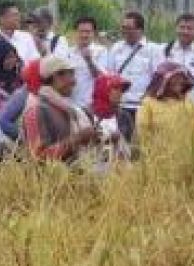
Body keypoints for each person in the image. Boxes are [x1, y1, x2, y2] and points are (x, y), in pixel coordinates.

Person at [21, 55, 98, 164]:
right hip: (50, 180)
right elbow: (38, 156)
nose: (74, 82)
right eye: (70, 75)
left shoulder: (67, 108)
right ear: (56, 76)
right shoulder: (36, 110)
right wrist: (78, 138)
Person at [104, 11, 160, 142]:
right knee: (120, 144)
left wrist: (146, 100)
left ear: (140, 29)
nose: (125, 31)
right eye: (123, 28)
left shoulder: (153, 50)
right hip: (120, 107)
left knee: (142, 144)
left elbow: (157, 79)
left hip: (143, 108)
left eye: (129, 28)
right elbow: (110, 76)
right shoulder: (116, 48)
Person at [162, 13, 194, 116]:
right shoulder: (164, 51)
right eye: (182, 27)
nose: (185, 32)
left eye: (189, 28)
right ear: (176, 28)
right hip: (167, 111)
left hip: (193, 112)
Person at [0, 1, 40, 69]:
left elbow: (35, 62)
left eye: (18, 15)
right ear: (1, 19)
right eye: (15, 15)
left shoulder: (26, 37)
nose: (18, 18)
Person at [90, 73, 133, 167]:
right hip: (91, 172)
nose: (120, 93)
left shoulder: (124, 117)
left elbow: (130, 147)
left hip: (118, 174)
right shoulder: (86, 114)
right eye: (116, 88)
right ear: (102, 89)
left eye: (122, 90)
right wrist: (108, 138)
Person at [65, 16, 106, 110]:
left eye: (88, 32)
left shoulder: (101, 51)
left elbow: (102, 78)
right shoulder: (68, 52)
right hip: (70, 105)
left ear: (94, 33)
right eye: (81, 31)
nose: (84, 35)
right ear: (75, 32)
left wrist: (89, 61)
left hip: (92, 106)